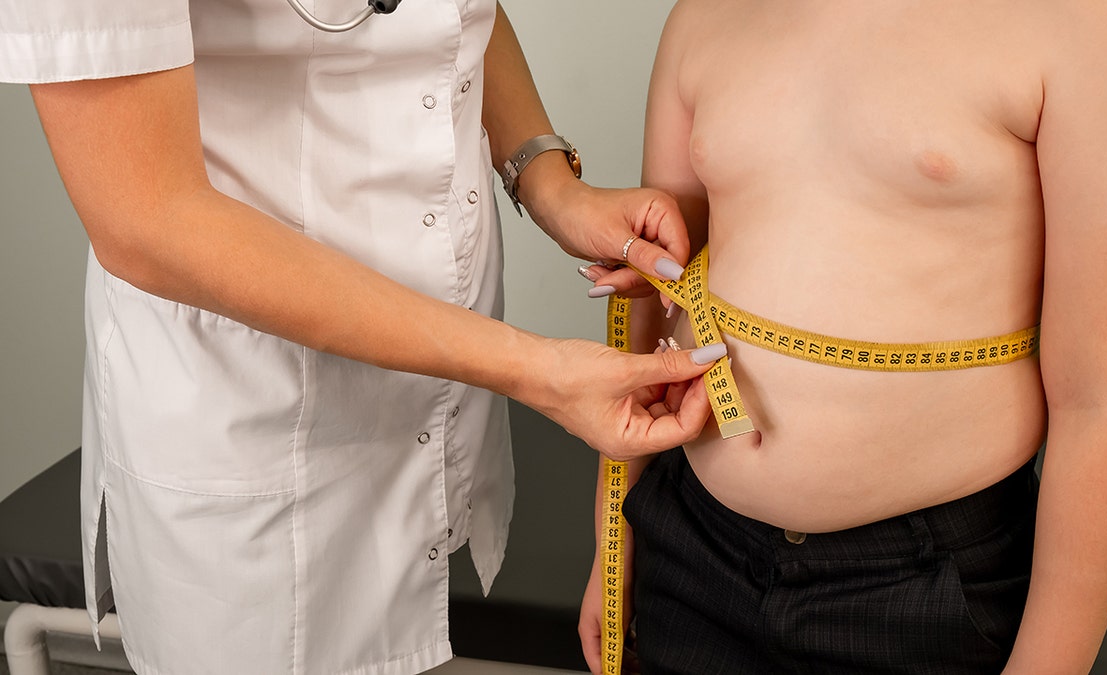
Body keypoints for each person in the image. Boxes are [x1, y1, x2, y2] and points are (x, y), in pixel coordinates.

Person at [0, 1, 724, 673]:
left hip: (437, 401)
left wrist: (547, 178)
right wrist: (533, 370)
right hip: (254, 412)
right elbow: (145, 219)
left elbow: (451, 14)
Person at [579, 0, 1107, 672]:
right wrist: (614, 539)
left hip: (931, 588)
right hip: (691, 546)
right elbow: (658, 283)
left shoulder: (1088, 21)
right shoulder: (706, 11)